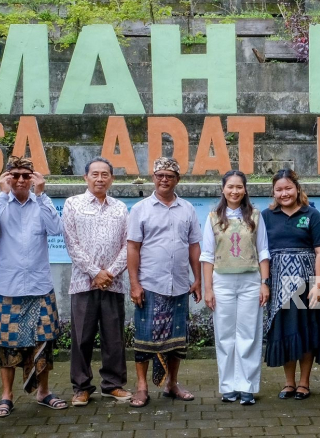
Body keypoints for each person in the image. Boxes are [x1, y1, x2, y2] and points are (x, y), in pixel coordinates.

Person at [0, 156, 66, 417]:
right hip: (8, 288)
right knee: (7, 344)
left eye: (25, 175)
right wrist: (2, 195)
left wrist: (41, 195)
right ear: (6, 177)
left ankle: (43, 392)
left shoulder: (41, 203)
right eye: (14, 175)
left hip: (40, 287)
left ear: (33, 177)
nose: (19, 180)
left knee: (43, 343)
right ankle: (7, 395)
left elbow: (56, 229)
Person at [127, 157, 203, 408]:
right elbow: (133, 248)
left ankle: (172, 383)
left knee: (176, 339)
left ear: (177, 180)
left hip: (180, 285)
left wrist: (198, 279)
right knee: (145, 339)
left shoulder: (187, 209)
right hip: (150, 284)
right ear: (153, 177)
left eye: (169, 176)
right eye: (160, 175)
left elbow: (194, 246)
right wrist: (134, 284)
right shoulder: (141, 209)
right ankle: (141, 387)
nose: (164, 180)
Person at [62, 157, 132, 406]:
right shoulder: (73, 204)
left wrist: (109, 272)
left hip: (113, 283)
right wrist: (95, 272)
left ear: (111, 178)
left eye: (105, 174)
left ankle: (112, 384)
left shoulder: (120, 208)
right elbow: (71, 243)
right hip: (83, 282)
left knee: (114, 337)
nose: (100, 178)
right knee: (82, 337)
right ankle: (81, 386)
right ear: (85, 177)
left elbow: (128, 244)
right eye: (95, 174)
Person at [202, 170, 270, 406]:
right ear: (223, 189)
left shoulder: (255, 216)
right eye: (230, 186)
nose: (234, 191)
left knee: (249, 334)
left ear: (245, 189)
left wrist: (264, 283)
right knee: (225, 336)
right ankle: (229, 387)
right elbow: (207, 256)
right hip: (222, 282)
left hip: (251, 281)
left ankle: (247, 387)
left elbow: (263, 251)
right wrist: (208, 289)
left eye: (239, 187)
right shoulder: (213, 218)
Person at [262, 168, 320, 401]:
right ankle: (289, 383)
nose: (284, 193)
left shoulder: (311, 215)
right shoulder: (266, 216)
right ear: (273, 192)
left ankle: (304, 382)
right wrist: (265, 283)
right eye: (279, 189)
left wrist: (319, 284)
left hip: (307, 285)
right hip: (278, 285)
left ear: (297, 188)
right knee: (284, 332)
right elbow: (262, 253)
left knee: (307, 331)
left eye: (288, 188)